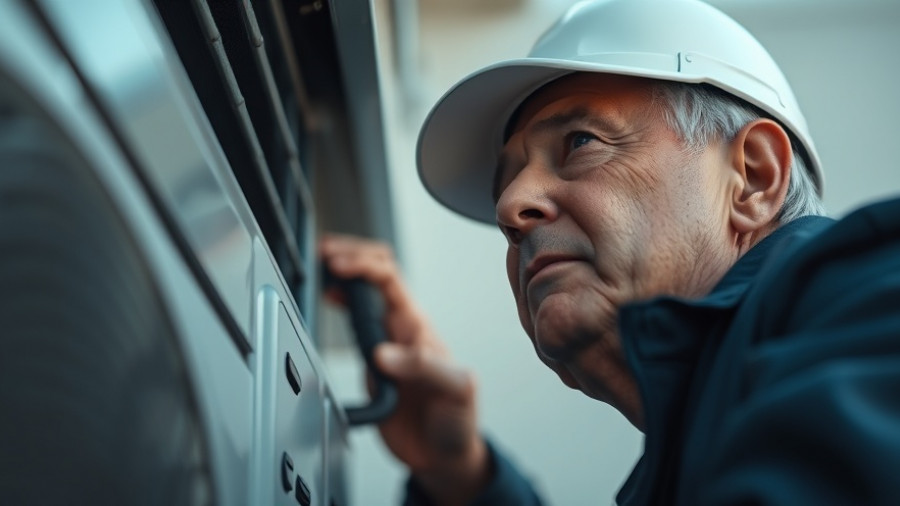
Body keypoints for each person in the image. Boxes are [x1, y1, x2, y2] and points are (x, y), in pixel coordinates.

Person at [321, 0, 900, 504]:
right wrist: (462, 476)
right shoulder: (699, 437)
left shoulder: (873, 300)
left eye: (580, 142)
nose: (510, 208)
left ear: (752, 178)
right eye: (507, 182)